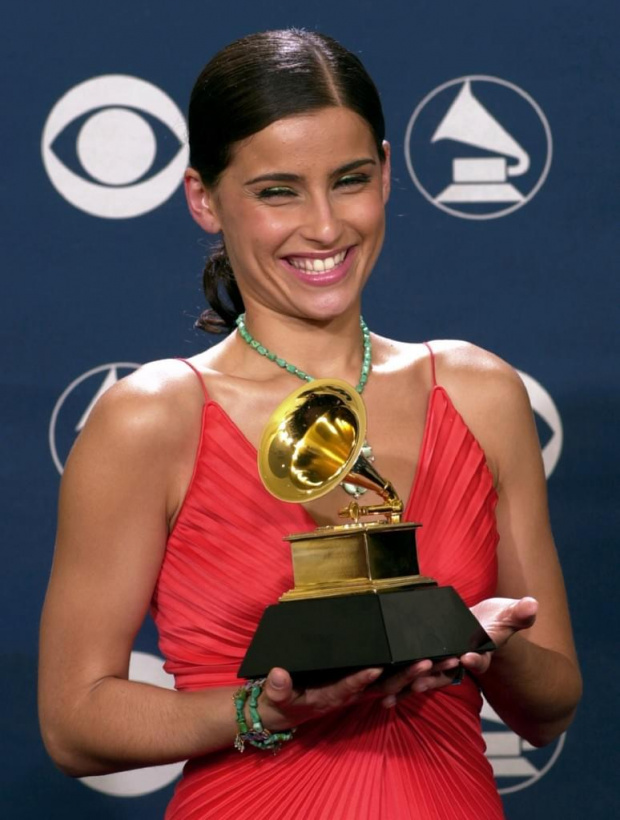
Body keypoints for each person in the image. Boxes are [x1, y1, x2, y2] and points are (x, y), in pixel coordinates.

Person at [38, 29, 582, 819]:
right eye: (278, 191)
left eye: (349, 180)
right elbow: (75, 720)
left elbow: (551, 707)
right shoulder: (151, 417)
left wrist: (480, 644)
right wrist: (263, 709)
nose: (325, 227)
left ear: (387, 173)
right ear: (203, 198)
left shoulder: (480, 392)